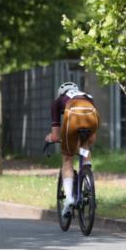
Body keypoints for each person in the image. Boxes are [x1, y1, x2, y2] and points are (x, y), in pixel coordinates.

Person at [45, 81, 100, 217]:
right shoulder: (88, 97)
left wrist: (50, 138)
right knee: (85, 145)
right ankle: (87, 178)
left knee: (67, 157)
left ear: (61, 93)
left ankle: (69, 198)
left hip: (73, 116)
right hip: (92, 115)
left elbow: (56, 135)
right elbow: (93, 138)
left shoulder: (58, 102)